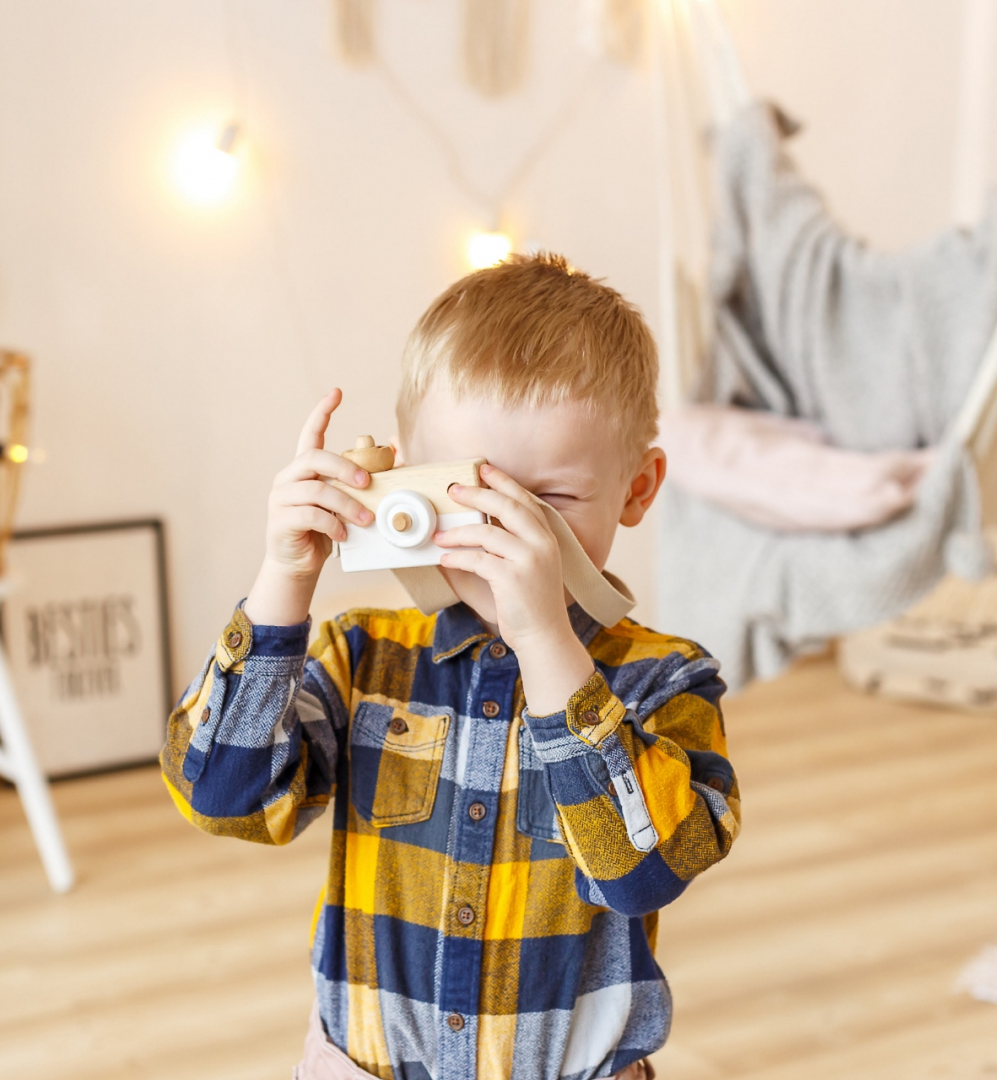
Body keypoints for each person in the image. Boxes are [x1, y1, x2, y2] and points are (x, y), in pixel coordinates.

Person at [162, 253, 740, 1080]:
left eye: (551, 503)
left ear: (638, 489)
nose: (501, 538)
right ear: (403, 479)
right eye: (466, 494)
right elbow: (222, 797)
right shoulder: (361, 656)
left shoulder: (667, 683)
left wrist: (546, 637)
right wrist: (285, 578)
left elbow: (643, 872)